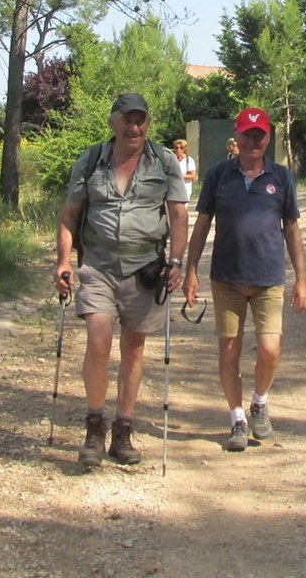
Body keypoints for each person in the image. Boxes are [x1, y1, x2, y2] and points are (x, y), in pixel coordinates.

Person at [55, 93, 189, 467]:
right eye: (128, 120)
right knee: (99, 341)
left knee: (133, 349)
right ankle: (94, 426)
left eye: (141, 120)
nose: (135, 127)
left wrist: (176, 261)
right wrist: (64, 261)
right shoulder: (91, 159)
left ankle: (123, 431)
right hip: (98, 265)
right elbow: (69, 215)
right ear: (113, 122)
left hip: (144, 268)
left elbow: (178, 215)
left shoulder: (162, 161)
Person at [183, 107, 306, 452]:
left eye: (259, 135)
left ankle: (260, 401)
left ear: (268, 139)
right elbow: (202, 224)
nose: (253, 141)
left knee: (270, 349)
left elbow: (292, 229)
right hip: (227, 278)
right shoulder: (218, 175)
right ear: (236, 138)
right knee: (229, 349)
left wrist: (301, 278)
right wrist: (190, 269)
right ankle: (237, 417)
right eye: (247, 135)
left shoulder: (281, 177)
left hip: (268, 278)